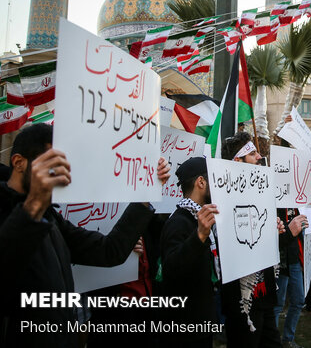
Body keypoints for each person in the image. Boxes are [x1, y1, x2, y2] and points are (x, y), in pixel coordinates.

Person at [0, 123, 170, 348]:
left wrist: (148, 191)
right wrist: (34, 204)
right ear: (19, 163)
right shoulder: (11, 210)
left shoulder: (51, 219)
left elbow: (109, 251)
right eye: (51, 164)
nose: (59, 174)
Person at [220, 131, 284, 348]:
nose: (259, 157)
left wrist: (278, 233)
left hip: (264, 292)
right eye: (253, 153)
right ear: (237, 161)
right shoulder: (223, 200)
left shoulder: (261, 195)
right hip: (242, 300)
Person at [160, 157, 219, 347]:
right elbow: (171, 268)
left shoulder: (201, 218)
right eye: (213, 179)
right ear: (201, 182)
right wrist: (199, 236)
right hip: (185, 328)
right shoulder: (179, 222)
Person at [274, 207, 307, 348]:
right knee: (277, 304)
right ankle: (273, 341)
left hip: (294, 256)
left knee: (299, 300)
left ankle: (288, 339)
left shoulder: (297, 200)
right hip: (280, 259)